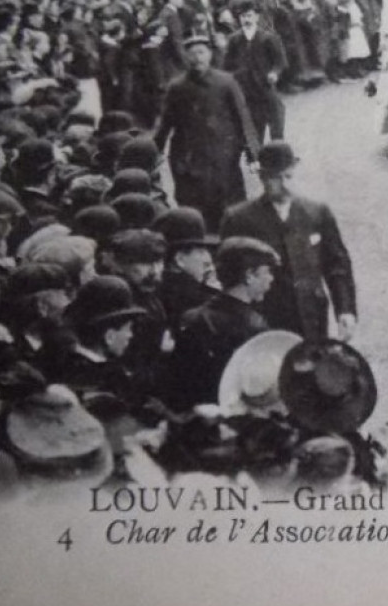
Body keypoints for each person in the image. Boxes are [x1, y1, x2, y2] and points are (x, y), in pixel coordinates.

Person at [220, 141, 357, 343]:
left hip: (312, 319)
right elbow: (228, 276)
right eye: (276, 178)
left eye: (288, 176)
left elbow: (337, 265)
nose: (284, 184)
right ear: (262, 177)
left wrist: (345, 310)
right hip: (264, 323)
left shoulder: (316, 213)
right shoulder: (239, 220)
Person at [152, 32, 260, 231]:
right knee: (193, 204)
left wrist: (253, 153)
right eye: (192, 54)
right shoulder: (177, 87)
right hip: (188, 155)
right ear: (185, 57)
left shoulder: (226, 82)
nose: (197, 58)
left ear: (210, 55)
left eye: (201, 52)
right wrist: (154, 151)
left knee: (229, 202)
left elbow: (243, 118)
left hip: (222, 154)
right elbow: (165, 122)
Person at [164, 236, 280, 411]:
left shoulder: (191, 317)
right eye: (267, 272)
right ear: (249, 276)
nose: (271, 279)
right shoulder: (254, 326)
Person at [223, 1, 287, 142]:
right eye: (243, 16)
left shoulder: (268, 37)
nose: (246, 19)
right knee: (253, 117)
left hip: (265, 83)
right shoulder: (234, 39)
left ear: (257, 17)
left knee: (275, 111)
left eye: (250, 16)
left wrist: (274, 73)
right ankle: (256, 152)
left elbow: (280, 61)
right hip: (245, 86)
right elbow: (227, 64)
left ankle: (277, 144)